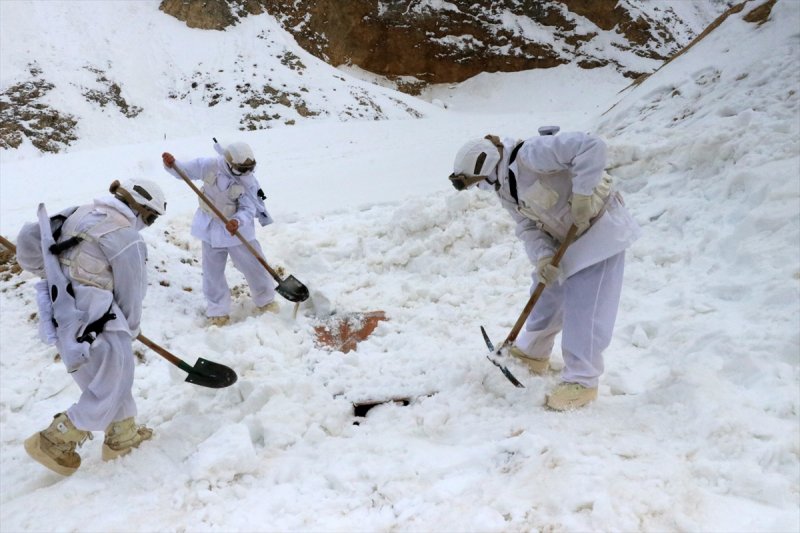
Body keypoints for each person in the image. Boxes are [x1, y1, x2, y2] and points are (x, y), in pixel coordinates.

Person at [449, 126, 640, 411]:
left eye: (480, 182)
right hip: (565, 238)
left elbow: (592, 147)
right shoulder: (506, 190)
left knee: (585, 307)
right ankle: (533, 352)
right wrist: (542, 259)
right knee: (546, 292)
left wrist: (583, 194)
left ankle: (582, 380)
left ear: (487, 168)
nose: (482, 187)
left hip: (600, 230)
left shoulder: (533, 154)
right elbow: (527, 227)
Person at [16, 179, 166, 475]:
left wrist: (54, 273)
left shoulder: (78, 212)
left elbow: (30, 240)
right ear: (138, 206)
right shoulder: (126, 237)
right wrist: (130, 328)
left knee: (105, 380)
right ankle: (56, 438)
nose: (145, 225)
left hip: (61, 310)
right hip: (99, 319)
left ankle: (122, 435)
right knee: (110, 384)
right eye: (149, 217)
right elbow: (131, 291)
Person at [161, 141, 277, 326]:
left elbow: (248, 208)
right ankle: (218, 311)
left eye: (249, 169)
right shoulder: (209, 165)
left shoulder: (248, 181)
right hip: (210, 226)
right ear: (229, 163)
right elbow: (184, 171)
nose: (245, 173)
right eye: (241, 169)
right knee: (212, 272)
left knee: (253, 266)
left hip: (237, 231)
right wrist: (171, 164)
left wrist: (237, 221)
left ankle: (266, 301)